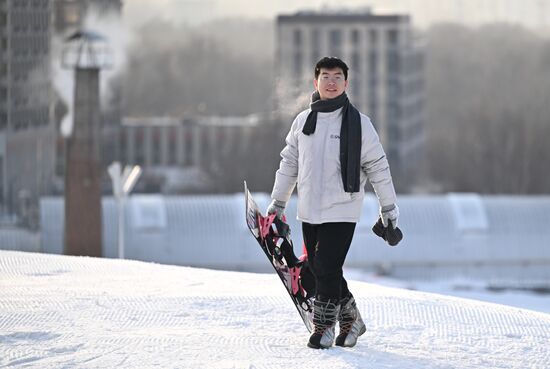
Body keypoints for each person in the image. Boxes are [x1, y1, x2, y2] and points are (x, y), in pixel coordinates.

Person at [267, 56, 400, 349]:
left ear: (346, 83)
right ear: (316, 82)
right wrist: (278, 201)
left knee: (326, 264)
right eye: (325, 76)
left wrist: (388, 206)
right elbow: (290, 162)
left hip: (343, 208)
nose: (331, 82)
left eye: (337, 76)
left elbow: (378, 166)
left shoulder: (360, 124)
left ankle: (324, 327)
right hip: (309, 210)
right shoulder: (303, 121)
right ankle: (352, 317)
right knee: (319, 267)